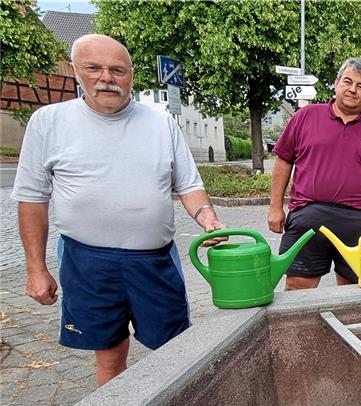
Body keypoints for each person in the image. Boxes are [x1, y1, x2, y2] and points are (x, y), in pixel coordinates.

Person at [11, 34, 226, 386]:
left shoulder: (160, 124)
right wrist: (36, 268)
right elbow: (32, 198)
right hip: (86, 261)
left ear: (131, 75)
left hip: (153, 261)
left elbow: (188, 185)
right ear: (76, 71)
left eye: (117, 70)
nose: (106, 78)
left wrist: (207, 217)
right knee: (109, 354)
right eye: (93, 68)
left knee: (174, 350)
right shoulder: (48, 122)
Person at [268, 57, 361, 290]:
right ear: (336, 83)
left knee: (354, 292)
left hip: (359, 222)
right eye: (347, 81)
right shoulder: (305, 116)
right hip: (308, 218)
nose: (353, 89)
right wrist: (275, 207)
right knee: (297, 287)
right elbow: (284, 161)